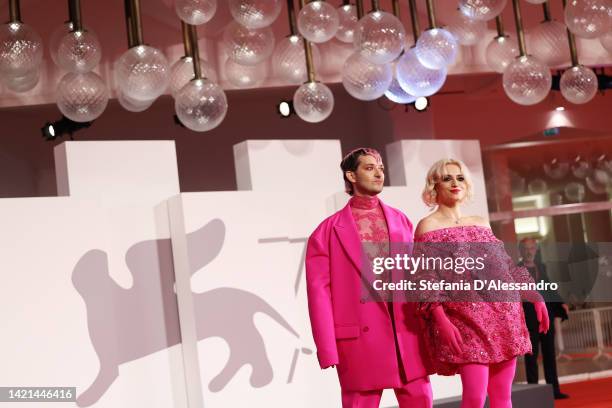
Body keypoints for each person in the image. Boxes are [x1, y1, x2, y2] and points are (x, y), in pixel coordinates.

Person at [413, 158, 550, 408]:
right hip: (464, 320)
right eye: (447, 178)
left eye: (460, 177)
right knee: (474, 399)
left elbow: (506, 266)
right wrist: (440, 318)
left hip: (503, 315)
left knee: (502, 397)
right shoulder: (427, 226)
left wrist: (535, 295)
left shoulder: (480, 222)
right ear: (435, 185)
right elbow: (426, 278)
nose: (455, 183)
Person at [305, 148, 433, 408]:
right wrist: (327, 347)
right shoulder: (326, 232)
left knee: (420, 401)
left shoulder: (401, 220)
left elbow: (418, 276)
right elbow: (318, 293)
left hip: (406, 332)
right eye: (369, 167)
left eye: (381, 168)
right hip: (359, 339)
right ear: (351, 175)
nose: (379, 173)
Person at [518, 237, 569, 400]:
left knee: (549, 355)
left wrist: (561, 303)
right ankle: (533, 394)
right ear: (520, 250)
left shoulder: (541, 267)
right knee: (531, 358)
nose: (529, 251)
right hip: (528, 320)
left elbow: (549, 287)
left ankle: (554, 390)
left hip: (545, 318)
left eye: (532, 248)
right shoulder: (516, 270)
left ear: (536, 250)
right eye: (526, 248)